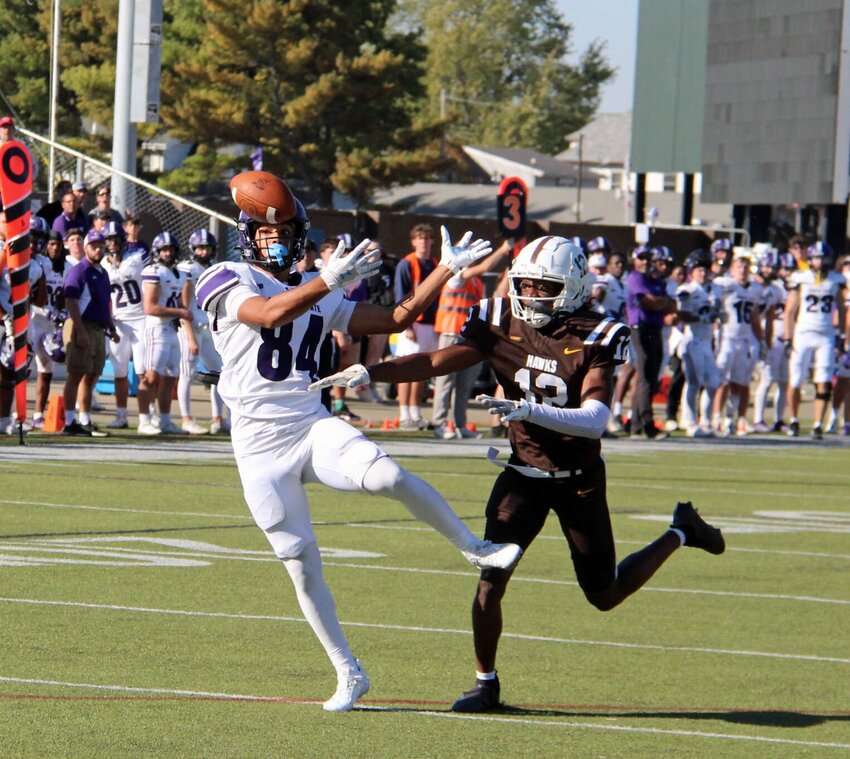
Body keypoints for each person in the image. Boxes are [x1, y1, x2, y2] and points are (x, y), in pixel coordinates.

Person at [320, 235, 726, 712]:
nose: (530, 295)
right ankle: (484, 683)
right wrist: (374, 373)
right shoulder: (498, 318)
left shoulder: (597, 333)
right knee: (491, 578)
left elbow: (596, 418)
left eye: (542, 287)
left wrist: (526, 410)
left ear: (573, 287)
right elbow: (433, 361)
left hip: (578, 478)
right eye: (525, 284)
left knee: (605, 594)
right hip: (523, 473)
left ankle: (681, 531)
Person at [196, 174, 521, 713]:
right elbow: (269, 314)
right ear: (247, 234)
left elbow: (399, 318)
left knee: (388, 475)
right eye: (265, 232)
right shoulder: (225, 276)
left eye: (284, 232)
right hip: (256, 446)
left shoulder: (320, 291)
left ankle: (473, 546)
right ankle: (348, 671)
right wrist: (325, 282)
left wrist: (446, 268)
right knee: (300, 564)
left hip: (309, 422)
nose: (274, 240)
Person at [430, 243, 504, 440]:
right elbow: (485, 268)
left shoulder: (477, 283)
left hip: (470, 337)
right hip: (451, 334)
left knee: (464, 385)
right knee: (445, 382)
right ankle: (439, 423)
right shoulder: (454, 276)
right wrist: (505, 248)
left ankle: (460, 425)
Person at [783, 242, 848, 439]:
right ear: (810, 259)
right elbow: (790, 311)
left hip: (826, 335)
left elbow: (843, 308)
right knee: (795, 379)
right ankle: (793, 420)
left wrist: (843, 336)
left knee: (824, 380)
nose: (820, 262)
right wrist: (788, 337)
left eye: (823, 258)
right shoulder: (801, 278)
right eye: (817, 258)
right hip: (803, 333)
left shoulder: (837, 279)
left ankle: (818, 423)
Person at [60, 230, 118, 436]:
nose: (98, 249)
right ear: (85, 248)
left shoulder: (103, 272)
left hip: (98, 328)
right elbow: (71, 301)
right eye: (94, 245)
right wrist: (80, 330)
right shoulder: (80, 270)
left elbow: (104, 303)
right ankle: (68, 421)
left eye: (100, 245)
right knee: (76, 374)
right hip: (81, 325)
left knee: (92, 375)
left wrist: (111, 327)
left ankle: (85, 419)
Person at [138, 231, 196, 435]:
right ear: (156, 252)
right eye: (163, 250)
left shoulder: (179, 273)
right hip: (157, 328)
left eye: (170, 249)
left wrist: (182, 311)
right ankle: (144, 420)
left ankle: (164, 420)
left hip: (172, 329)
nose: (167, 253)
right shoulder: (154, 272)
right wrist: (181, 312)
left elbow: (181, 302)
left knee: (171, 377)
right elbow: (150, 307)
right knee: (152, 376)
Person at [102, 220, 152, 431]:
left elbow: (151, 280)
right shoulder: (103, 263)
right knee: (120, 372)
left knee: (142, 372)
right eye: (109, 240)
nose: (112, 243)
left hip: (140, 320)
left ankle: (145, 419)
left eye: (115, 239)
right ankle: (121, 416)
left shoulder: (138, 257)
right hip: (118, 323)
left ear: (123, 240)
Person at [177, 228, 228, 434]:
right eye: (200, 248)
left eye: (206, 248)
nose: (204, 252)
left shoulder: (217, 268)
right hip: (191, 326)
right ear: (193, 249)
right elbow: (184, 304)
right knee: (187, 373)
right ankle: (186, 419)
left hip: (210, 327)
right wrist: (189, 334)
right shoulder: (187, 270)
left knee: (220, 373)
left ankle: (217, 419)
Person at [711, 249, 765, 436]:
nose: (742, 270)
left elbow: (755, 317)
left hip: (746, 339)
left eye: (745, 266)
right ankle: (715, 418)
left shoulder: (755, 290)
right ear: (732, 269)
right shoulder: (724, 285)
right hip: (726, 338)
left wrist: (762, 341)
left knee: (739, 383)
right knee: (721, 381)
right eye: (738, 266)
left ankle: (730, 419)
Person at [393, 223, 439, 429]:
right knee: (406, 367)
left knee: (421, 369)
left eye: (427, 238)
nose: (424, 242)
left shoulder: (435, 263)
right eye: (420, 238)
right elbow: (400, 295)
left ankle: (415, 411)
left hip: (431, 323)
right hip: (413, 323)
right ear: (413, 241)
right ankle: (404, 414)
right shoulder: (407, 264)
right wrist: (406, 325)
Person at [625, 245, 674, 439]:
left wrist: (661, 302)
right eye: (642, 258)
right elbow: (651, 302)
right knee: (644, 377)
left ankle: (636, 425)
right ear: (635, 259)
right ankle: (648, 425)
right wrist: (661, 302)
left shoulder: (655, 280)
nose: (645, 261)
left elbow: (668, 304)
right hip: (640, 329)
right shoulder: (635, 277)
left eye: (648, 258)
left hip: (655, 328)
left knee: (652, 379)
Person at [30, 226, 71, 430]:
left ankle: (38, 415)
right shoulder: (42, 265)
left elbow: (66, 295)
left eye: (58, 244)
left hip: (51, 326)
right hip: (34, 321)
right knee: (18, 368)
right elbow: (32, 297)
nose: (55, 248)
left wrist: (62, 312)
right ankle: (13, 413)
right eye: (52, 244)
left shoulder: (68, 267)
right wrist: (45, 310)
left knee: (46, 371)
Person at [675, 249, 720, 436]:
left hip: (707, 342)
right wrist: (703, 318)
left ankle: (706, 421)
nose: (703, 273)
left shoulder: (714, 289)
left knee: (713, 383)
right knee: (693, 382)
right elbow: (682, 315)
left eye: (705, 269)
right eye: (699, 269)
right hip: (692, 340)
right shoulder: (686, 290)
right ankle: (689, 421)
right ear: (691, 271)